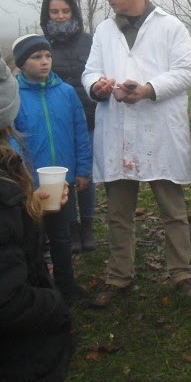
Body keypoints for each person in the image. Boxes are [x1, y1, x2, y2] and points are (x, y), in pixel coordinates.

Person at [82, 0, 191, 306]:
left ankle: (182, 272)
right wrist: (97, 86)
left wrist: (148, 89)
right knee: (118, 212)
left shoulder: (171, 26)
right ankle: (119, 276)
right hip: (119, 130)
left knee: (172, 209)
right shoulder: (104, 31)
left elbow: (185, 72)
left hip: (160, 130)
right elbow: (90, 71)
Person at [0, 54, 74, 381]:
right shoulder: (4, 189)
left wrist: (29, 206)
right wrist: (54, 305)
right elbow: (9, 301)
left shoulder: (9, 187)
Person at [12, 34, 91, 303]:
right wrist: (21, 178)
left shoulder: (66, 93)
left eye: (47, 56)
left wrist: (82, 169)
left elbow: (80, 132)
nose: (44, 61)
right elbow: (12, 138)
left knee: (62, 236)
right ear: (22, 63)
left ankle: (67, 287)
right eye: (36, 57)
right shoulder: (14, 96)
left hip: (61, 182)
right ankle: (38, 290)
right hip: (28, 184)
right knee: (33, 237)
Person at [40, 0, 98, 254]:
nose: (61, 16)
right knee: (65, 174)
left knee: (86, 174)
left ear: (74, 12)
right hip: (58, 121)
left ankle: (88, 225)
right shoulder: (43, 46)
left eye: (65, 10)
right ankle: (71, 226)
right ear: (47, 14)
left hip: (90, 116)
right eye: (55, 11)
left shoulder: (90, 42)